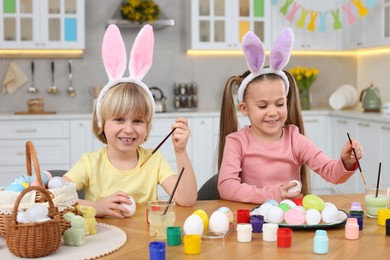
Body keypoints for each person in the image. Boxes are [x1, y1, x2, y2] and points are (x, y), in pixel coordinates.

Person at [63, 24, 197, 218]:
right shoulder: (90, 163)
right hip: (102, 240)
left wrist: (180, 151)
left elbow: (187, 199)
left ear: (147, 126)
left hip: (142, 242)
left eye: (137, 121)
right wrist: (96, 207)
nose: (128, 129)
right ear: (101, 122)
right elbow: (57, 198)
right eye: (119, 119)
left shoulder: (153, 161)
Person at [217, 28, 363, 204]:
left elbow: (332, 173)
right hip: (254, 220)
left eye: (279, 104)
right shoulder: (237, 142)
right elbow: (226, 187)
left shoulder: (295, 139)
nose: (272, 112)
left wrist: (346, 162)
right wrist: (274, 193)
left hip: (292, 220)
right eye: (263, 106)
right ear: (244, 108)